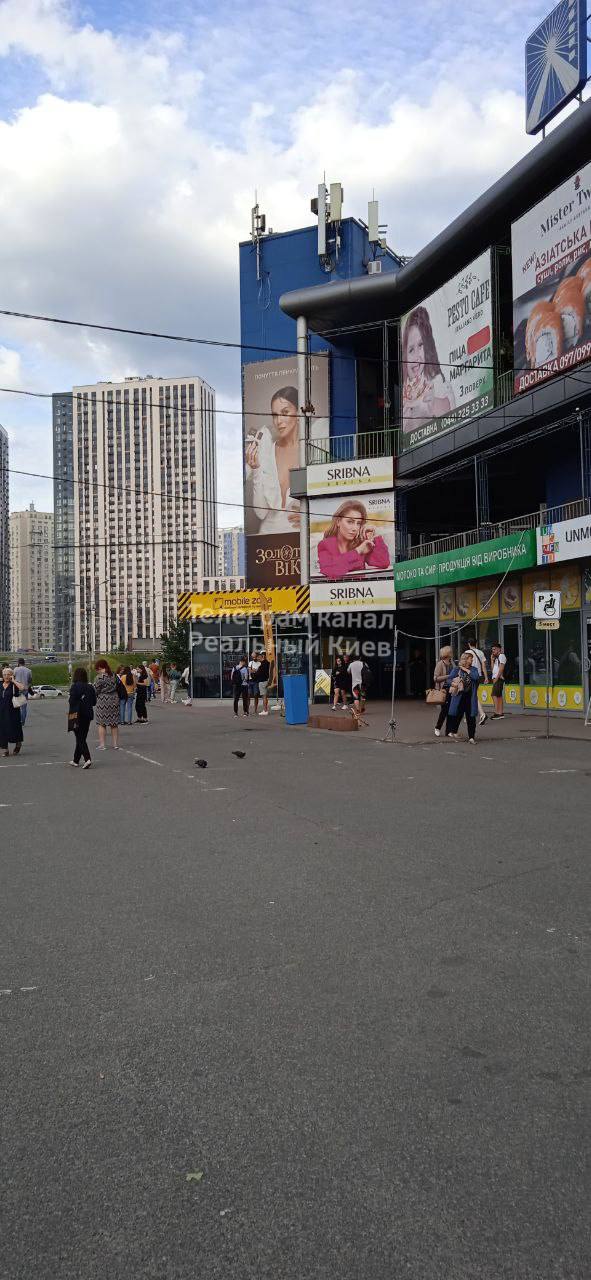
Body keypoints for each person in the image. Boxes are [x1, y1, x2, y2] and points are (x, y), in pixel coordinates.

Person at [244, 386, 302, 535]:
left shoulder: (312, 450)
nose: (279, 421)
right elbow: (261, 513)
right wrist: (256, 471)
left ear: (299, 412)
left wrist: (312, 516)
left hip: (302, 541)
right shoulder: (267, 451)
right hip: (268, 541)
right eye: (275, 415)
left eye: (285, 412)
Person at [401, 305, 455, 426]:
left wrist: (430, 403)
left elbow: (450, 411)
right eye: (410, 350)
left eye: (420, 345)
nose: (416, 357)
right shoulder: (403, 402)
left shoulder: (439, 384)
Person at [316, 499, 390, 580]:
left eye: (358, 523)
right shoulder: (324, 545)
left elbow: (384, 562)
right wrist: (358, 551)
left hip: (361, 590)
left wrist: (376, 535)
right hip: (336, 591)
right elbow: (330, 570)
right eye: (350, 522)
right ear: (338, 522)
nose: (355, 528)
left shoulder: (360, 542)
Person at [445, 652, 480, 744]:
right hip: (459, 697)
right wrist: (453, 683)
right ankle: (454, 731)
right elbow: (448, 680)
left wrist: (466, 669)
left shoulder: (474, 669)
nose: (472, 660)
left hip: (470, 697)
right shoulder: (456, 669)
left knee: (471, 717)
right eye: (470, 658)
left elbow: (476, 677)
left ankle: (471, 737)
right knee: (457, 715)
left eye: (472, 659)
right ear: (465, 659)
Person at [68, 667, 97, 768]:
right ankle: (76, 760)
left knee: (80, 738)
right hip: (87, 715)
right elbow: (94, 702)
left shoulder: (74, 687)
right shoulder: (90, 687)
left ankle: (87, 759)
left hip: (76, 714)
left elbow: (71, 701)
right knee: (82, 737)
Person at [94, 659, 120, 750]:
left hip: (103, 701)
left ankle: (102, 745)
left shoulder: (99, 677)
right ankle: (115, 744)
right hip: (114, 700)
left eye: (97, 669)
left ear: (100, 667)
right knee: (114, 724)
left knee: (102, 724)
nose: (96, 671)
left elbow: (95, 690)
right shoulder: (114, 675)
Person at [0, 666, 25, 756]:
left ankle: (18, 743)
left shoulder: (14, 684)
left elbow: (22, 688)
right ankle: (5, 749)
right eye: (4, 674)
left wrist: (13, 680)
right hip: (2, 711)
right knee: (2, 729)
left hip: (13, 711)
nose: (6, 676)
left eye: (8, 674)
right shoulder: (0, 684)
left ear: (12, 675)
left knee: (14, 728)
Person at [466, 635, 489, 727]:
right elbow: (484, 666)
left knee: (472, 695)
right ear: (476, 643)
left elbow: (465, 664)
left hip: (470, 676)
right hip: (478, 676)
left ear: (468, 644)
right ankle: (470, 715)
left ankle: (482, 714)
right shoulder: (480, 652)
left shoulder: (467, 652)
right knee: (472, 695)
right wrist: (486, 677)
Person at [432, 645, 453, 737]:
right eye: (451, 652)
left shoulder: (452, 663)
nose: (452, 653)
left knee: (451, 711)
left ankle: (448, 731)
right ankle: (437, 727)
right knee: (444, 710)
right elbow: (435, 678)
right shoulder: (440, 664)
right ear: (448, 654)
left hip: (452, 689)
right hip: (443, 690)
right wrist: (448, 676)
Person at [13, 656, 33, 726]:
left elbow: (13, 678)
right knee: (24, 707)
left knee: (17, 705)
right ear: (24, 663)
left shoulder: (15, 669)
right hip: (25, 690)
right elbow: (30, 680)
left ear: (18, 663)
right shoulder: (29, 670)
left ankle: (17, 720)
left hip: (17, 689)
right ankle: (23, 721)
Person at [490, 642, 507, 719]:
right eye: (492, 649)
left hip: (498, 678)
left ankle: (497, 713)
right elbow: (493, 669)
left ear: (499, 649)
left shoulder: (501, 656)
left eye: (494, 649)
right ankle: (500, 713)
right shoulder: (497, 658)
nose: (493, 651)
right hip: (496, 678)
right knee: (499, 696)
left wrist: (496, 678)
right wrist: (492, 660)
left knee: (494, 695)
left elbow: (501, 668)